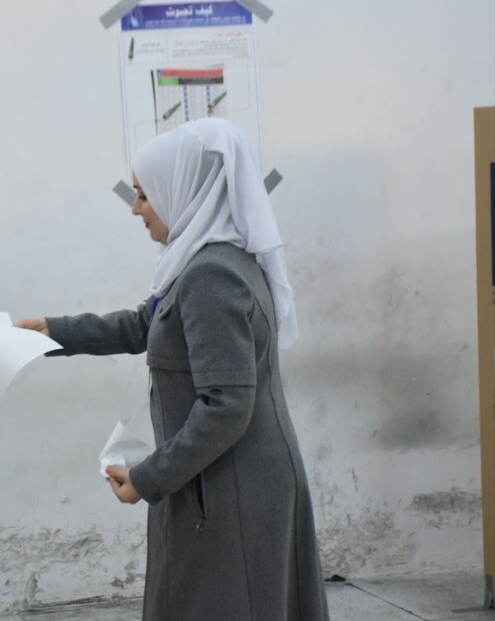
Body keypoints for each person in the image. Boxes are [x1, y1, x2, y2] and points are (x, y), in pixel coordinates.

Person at [16, 119, 329, 620]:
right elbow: (146, 323)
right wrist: (53, 332)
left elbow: (226, 407)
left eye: (144, 194)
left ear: (182, 189)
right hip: (229, 480)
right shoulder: (210, 260)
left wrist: (146, 478)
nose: (136, 208)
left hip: (234, 492)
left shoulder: (211, 273)